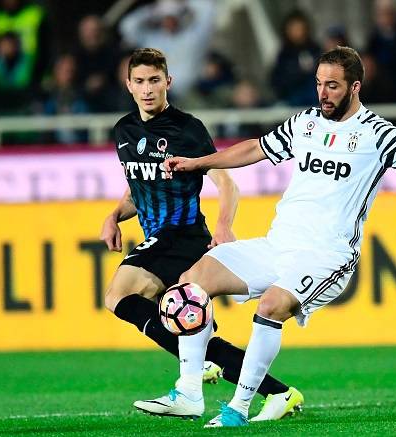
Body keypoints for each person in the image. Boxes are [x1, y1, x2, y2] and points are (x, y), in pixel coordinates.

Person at [157, 46, 396, 427]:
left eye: (333, 86)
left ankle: (237, 409)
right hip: (279, 245)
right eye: (319, 84)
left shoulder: (377, 134)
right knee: (190, 285)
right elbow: (256, 149)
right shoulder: (306, 122)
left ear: (355, 87)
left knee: (271, 305)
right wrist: (198, 162)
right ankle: (190, 392)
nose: (323, 93)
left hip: (327, 255)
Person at [100, 48, 303, 421]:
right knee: (194, 331)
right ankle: (279, 392)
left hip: (183, 234)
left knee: (118, 295)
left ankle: (192, 369)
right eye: (140, 82)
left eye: (155, 81)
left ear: (168, 82)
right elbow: (138, 189)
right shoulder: (123, 131)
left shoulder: (186, 129)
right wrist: (114, 215)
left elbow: (225, 181)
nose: (148, 89)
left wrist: (224, 224)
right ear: (128, 85)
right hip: (158, 235)